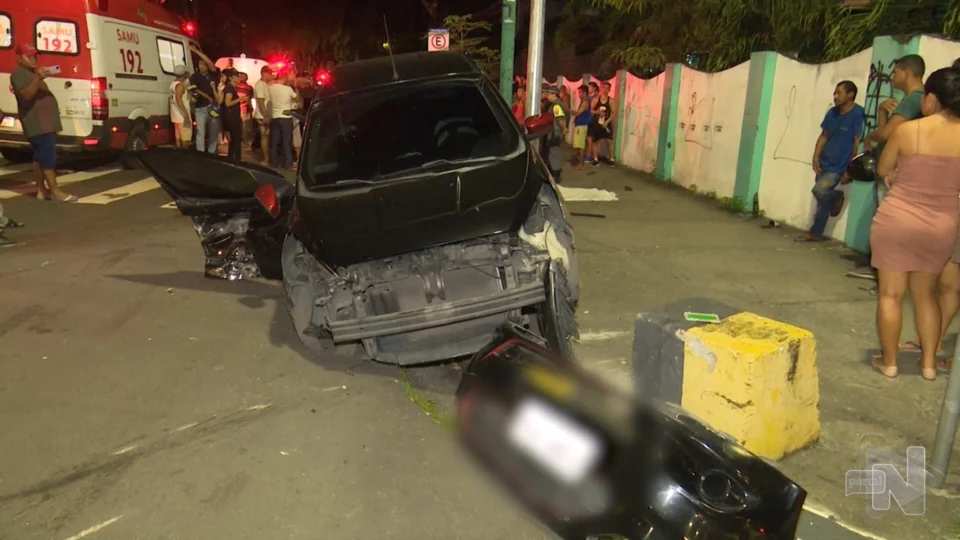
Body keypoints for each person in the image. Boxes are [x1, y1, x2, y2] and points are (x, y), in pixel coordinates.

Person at [869, 66, 960, 381]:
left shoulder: (908, 131)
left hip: (898, 220)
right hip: (942, 225)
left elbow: (883, 168)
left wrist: (898, 174)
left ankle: (890, 363)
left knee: (890, 295)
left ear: (931, 99)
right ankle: (929, 365)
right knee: (926, 295)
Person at [849, 55, 926, 286]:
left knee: (888, 226)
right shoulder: (916, 100)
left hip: (894, 171)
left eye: (896, 72)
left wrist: (870, 137)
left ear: (905, 73)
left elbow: (886, 134)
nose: (893, 77)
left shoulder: (913, 100)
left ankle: (887, 279)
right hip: (899, 169)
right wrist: (882, 113)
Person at [796, 81, 864, 242]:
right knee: (822, 203)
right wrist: (815, 157)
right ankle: (816, 233)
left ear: (850, 94)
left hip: (839, 166)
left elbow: (857, 142)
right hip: (824, 162)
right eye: (835, 93)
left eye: (839, 93)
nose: (835, 96)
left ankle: (837, 196)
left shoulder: (857, 113)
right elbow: (824, 136)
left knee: (819, 191)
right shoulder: (832, 113)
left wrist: (850, 169)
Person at [10, 44, 76, 202]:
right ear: (19, 58)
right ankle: (56, 191)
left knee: (40, 157)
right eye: (29, 56)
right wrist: (38, 78)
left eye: (35, 56)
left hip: (44, 124)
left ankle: (41, 190)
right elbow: (26, 95)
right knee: (48, 158)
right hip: (37, 124)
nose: (33, 59)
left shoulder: (30, 74)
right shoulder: (19, 74)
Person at [188, 44, 222, 154]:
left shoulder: (214, 74)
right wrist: (206, 96)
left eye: (204, 64)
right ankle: (201, 154)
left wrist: (197, 51)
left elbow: (211, 64)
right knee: (200, 132)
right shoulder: (195, 76)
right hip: (200, 108)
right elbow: (195, 89)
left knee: (213, 132)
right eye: (200, 64)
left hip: (213, 108)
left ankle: (211, 153)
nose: (201, 66)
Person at [268, 70, 298, 169]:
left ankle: (273, 163)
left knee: (274, 142)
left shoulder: (271, 88)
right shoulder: (288, 89)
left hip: (275, 117)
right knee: (286, 142)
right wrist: (295, 86)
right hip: (286, 118)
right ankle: (288, 163)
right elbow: (297, 98)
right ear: (284, 77)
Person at [542, 84, 569, 183]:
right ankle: (554, 174)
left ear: (554, 94)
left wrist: (564, 128)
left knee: (554, 154)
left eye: (549, 94)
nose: (547, 96)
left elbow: (559, 119)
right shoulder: (557, 104)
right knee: (553, 153)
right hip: (554, 132)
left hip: (554, 132)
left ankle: (556, 176)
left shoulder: (556, 105)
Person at [220, 69, 247, 161]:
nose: (239, 78)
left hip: (233, 116)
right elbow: (227, 103)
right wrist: (240, 99)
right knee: (236, 139)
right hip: (231, 117)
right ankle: (236, 159)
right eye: (236, 76)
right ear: (231, 77)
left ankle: (232, 158)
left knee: (234, 140)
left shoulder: (232, 87)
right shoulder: (229, 88)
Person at [588, 81, 616, 166]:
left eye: (607, 88)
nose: (605, 90)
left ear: (609, 90)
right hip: (597, 123)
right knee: (595, 141)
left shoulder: (611, 101)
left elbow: (613, 113)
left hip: (606, 124)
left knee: (609, 141)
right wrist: (597, 112)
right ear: (601, 88)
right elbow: (591, 110)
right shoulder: (596, 99)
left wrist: (607, 122)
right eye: (604, 87)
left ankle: (611, 159)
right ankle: (595, 159)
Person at [251, 65, 274, 163]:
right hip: (262, 116)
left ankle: (268, 157)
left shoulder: (266, 84)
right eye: (270, 73)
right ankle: (266, 158)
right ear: (264, 73)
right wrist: (265, 115)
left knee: (267, 136)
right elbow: (260, 101)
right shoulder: (259, 85)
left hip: (266, 114)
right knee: (264, 136)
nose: (271, 75)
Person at [170, 65, 192, 149]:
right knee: (185, 140)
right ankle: (185, 155)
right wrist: (186, 114)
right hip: (182, 117)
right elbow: (178, 100)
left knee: (178, 138)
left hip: (175, 116)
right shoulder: (180, 86)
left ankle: (178, 155)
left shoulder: (172, 84)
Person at [572, 85, 592, 169]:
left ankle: (581, 164)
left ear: (584, 93)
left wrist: (567, 109)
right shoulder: (584, 102)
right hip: (580, 125)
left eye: (580, 93)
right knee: (578, 145)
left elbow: (578, 113)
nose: (579, 95)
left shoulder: (585, 102)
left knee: (580, 145)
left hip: (582, 126)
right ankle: (579, 162)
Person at [236, 72, 253, 145]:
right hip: (235, 108)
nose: (242, 78)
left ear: (247, 78)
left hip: (244, 109)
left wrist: (250, 108)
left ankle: (244, 140)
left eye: (244, 77)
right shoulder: (235, 86)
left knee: (244, 126)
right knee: (238, 125)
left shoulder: (249, 87)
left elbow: (250, 98)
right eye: (241, 76)